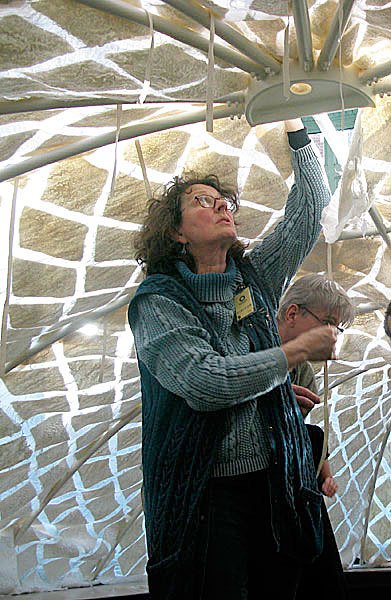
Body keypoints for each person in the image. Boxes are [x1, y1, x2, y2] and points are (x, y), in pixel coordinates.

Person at [128, 118, 336, 600]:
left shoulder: (253, 277)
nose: (221, 205)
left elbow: (308, 211)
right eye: (201, 201)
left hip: (273, 485)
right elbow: (205, 382)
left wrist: (297, 131)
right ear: (176, 233)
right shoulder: (158, 303)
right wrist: (293, 354)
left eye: (223, 201)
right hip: (206, 496)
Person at [277, 273, 355, 600]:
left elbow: (304, 440)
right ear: (292, 313)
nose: (332, 335)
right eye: (328, 324)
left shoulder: (305, 372)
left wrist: (325, 475)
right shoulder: (250, 347)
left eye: (336, 328)